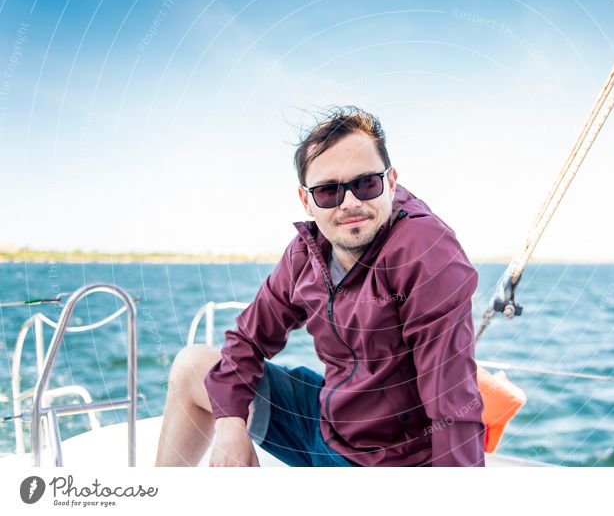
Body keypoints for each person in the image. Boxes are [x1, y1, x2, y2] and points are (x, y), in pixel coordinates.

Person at [155, 106, 485, 467]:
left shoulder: (425, 251)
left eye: (366, 183)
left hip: (391, 461)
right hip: (325, 423)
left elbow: (452, 401)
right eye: (329, 191)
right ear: (306, 201)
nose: (351, 203)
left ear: (390, 182)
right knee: (192, 367)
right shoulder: (307, 251)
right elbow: (247, 341)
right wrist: (230, 421)